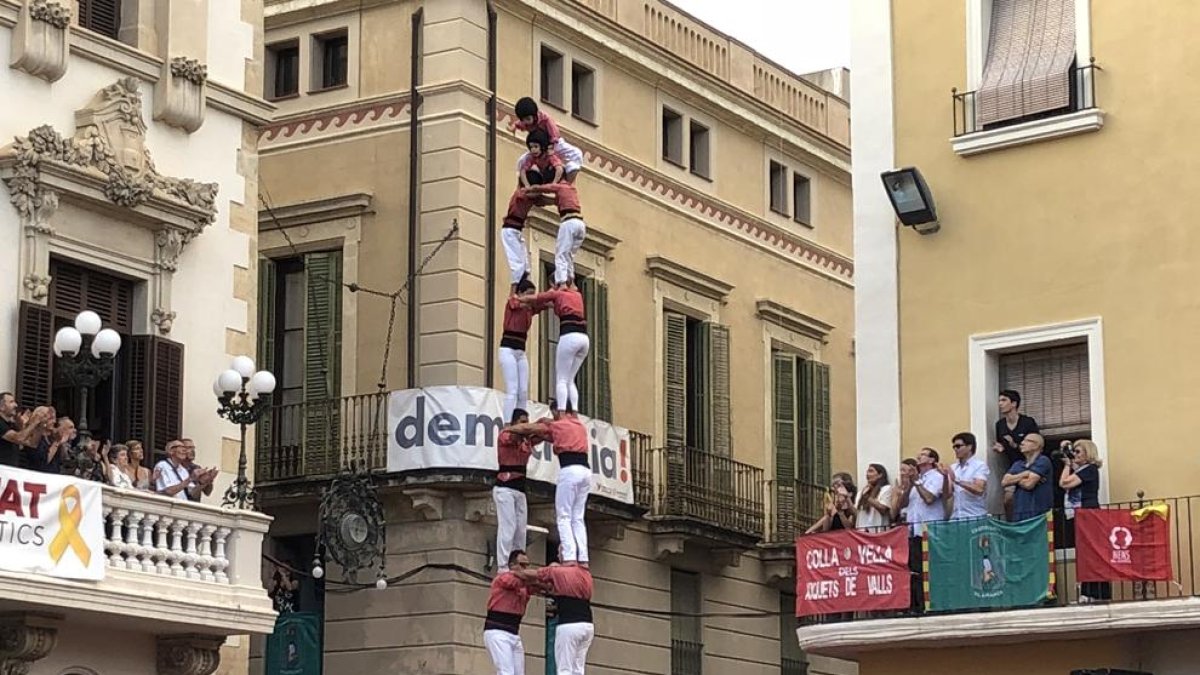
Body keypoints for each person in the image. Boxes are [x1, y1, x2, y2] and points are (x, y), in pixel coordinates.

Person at [510, 408, 591, 565]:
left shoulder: (559, 425)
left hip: (570, 470)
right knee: (578, 518)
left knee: (564, 517)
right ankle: (583, 558)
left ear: (557, 410)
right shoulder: (579, 425)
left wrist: (508, 429)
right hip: (586, 472)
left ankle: (569, 556)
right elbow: (549, 435)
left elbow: (527, 428)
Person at [515, 549, 594, 675]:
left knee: (564, 669)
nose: (557, 555)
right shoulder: (585, 573)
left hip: (569, 623)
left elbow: (535, 574)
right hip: (587, 625)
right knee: (578, 668)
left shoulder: (559, 571)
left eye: (560, 551)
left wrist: (515, 572)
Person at [520, 283, 589, 413]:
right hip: (584, 338)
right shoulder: (577, 295)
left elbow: (536, 298)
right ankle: (574, 411)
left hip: (569, 335)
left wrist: (518, 299)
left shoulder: (558, 294)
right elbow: (551, 303)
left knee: (562, 379)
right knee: (570, 379)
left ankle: (561, 411)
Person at [494, 411, 546, 573]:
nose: (526, 424)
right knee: (507, 526)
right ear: (515, 422)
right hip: (505, 487)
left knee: (521, 530)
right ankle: (502, 565)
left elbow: (543, 433)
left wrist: (547, 423)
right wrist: (530, 428)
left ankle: (518, 560)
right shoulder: (506, 434)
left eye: (527, 421)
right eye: (523, 421)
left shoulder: (527, 439)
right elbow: (514, 437)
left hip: (519, 489)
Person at [1059, 439, 1109, 602]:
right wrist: (1066, 453)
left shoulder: (1090, 469)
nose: (1075, 455)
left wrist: (1067, 465)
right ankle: (1087, 592)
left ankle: (1095, 592)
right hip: (1081, 515)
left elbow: (1064, 483)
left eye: (1078, 451)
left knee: (1092, 553)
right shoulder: (1082, 470)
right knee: (1085, 553)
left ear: (1088, 453)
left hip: (1088, 514)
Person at [897, 448, 945, 613]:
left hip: (929, 529)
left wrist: (917, 482)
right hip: (913, 530)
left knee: (929, 568)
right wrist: (907, 486)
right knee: (915, 569)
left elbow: (930, 498)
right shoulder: (917, 480)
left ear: (932, 460)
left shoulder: (936, 477)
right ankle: (916, 605)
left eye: (923, 454)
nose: (919, 456)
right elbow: (903, 504)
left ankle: (930, 605)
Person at [499, 279, 545, 424]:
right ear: (520, 293)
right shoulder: (513, 303)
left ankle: (520, 419)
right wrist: (514, 280)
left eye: (533, 294)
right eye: (529, 294)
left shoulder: (530, 309)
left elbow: (546, 303)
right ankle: (507, 423)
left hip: (520, 352)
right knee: (512, 390)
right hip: (508, 350)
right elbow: (514, 299)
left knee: (523, 391)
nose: (531, 297)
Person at [524, 182, 585, 288]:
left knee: (561, 254)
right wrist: (539, 200)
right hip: (580, 225)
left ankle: (562, 283)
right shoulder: (571, 191)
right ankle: (572, 281)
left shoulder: (561, 186)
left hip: (569, 222)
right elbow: (551, 201)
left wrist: (529, 189)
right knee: (569, 255)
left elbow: (543, 187)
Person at [485, 550, 537, 675]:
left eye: (527, 565)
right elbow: (515, 581)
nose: (525, 568)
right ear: (512, 565)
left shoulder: (524, 583)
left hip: (513, 632)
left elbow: (537, 585)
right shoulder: (504, 578)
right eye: (522, 565)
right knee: (506, 671)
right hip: (497, 631)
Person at [510, 97, 584, 182]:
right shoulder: (525, 122)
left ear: (534, 116)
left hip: (554, 145)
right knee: (522, 161)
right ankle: (525, 183)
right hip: (539, 148)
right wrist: (514, 127)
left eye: (528, 119)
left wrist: (551, 147)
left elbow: (554, 134)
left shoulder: (545, 119)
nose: (526, 122)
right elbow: (519, 124)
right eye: (523, 120)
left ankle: (569, 179)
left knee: (577, 153)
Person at [1001, 433, 1053, 522]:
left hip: (1039, 515)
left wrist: (1014, 479)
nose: (1022, 443)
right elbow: (1004, 481)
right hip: (1019, 514)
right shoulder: (1018, 464)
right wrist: (1024, 474)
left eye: (1027, 441)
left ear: (1036, 446)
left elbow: (1029, 484)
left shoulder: (1043, 460)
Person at [942, 432, 990, 520]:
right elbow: (947, 495)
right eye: (954, 447)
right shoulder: (953, 467)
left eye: (958, 446)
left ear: (969, 447)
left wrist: (956, 480)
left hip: (974, 516)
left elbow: (979, 489)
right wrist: (945, 477)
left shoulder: (979, 465)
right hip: (956, 517)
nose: (955, 449)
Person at [992, 389, 1039, 467]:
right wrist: (1002, 448)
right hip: (1012, 467)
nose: (1000, 404)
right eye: (999, 401)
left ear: (1014, 403)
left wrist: (1015, 445)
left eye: (1004, 400)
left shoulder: (1028, 422)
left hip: (1032, 464)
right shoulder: (1000, 425)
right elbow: (1003, 446)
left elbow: (1036, 445)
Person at [855, 464, 894, 530]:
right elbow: (856, 512)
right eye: (867, 472)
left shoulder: (886, 489)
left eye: (871, 471)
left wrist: (867, 497)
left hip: (878, 531)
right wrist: (847, 499)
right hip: (863, 532)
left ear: (880, 475)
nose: (867, 474)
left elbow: (883, 509)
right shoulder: (862, 491)